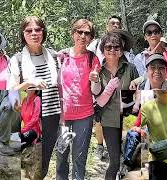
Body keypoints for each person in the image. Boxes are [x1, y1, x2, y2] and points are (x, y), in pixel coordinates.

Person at [5, 16, 61, 172]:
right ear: (23, 34)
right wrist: (29, 83)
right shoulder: (17, 60)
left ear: (43, 32)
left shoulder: (54, 56)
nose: (34, 33)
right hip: (32, 117)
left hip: (53, 114)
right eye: (29, 30)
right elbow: (11, 91)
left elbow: (61, 86)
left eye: (38, 29)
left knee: (45, 161)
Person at [56, 18, 100, 180]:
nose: (82, 36)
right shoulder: (61, 56)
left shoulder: (92, 59)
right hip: (63, 117)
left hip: (85, 116)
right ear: (72, 34)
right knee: (61, 156)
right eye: (79, 32)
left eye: (87, 33)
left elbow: (95, 90)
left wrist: (95, 79)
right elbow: (54, 85)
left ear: (91, 38)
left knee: (79, 158)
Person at [91, 32, 138, 179]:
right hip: (109, 120)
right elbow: (96, 96)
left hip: (128, 120)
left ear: (121, 49)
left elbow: (139, 92)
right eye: (108, 47)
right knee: (115, 161)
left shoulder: (130, 68)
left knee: (131, 163)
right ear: (103, 50)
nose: (112, 50)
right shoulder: (99, 70)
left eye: (116, 47)